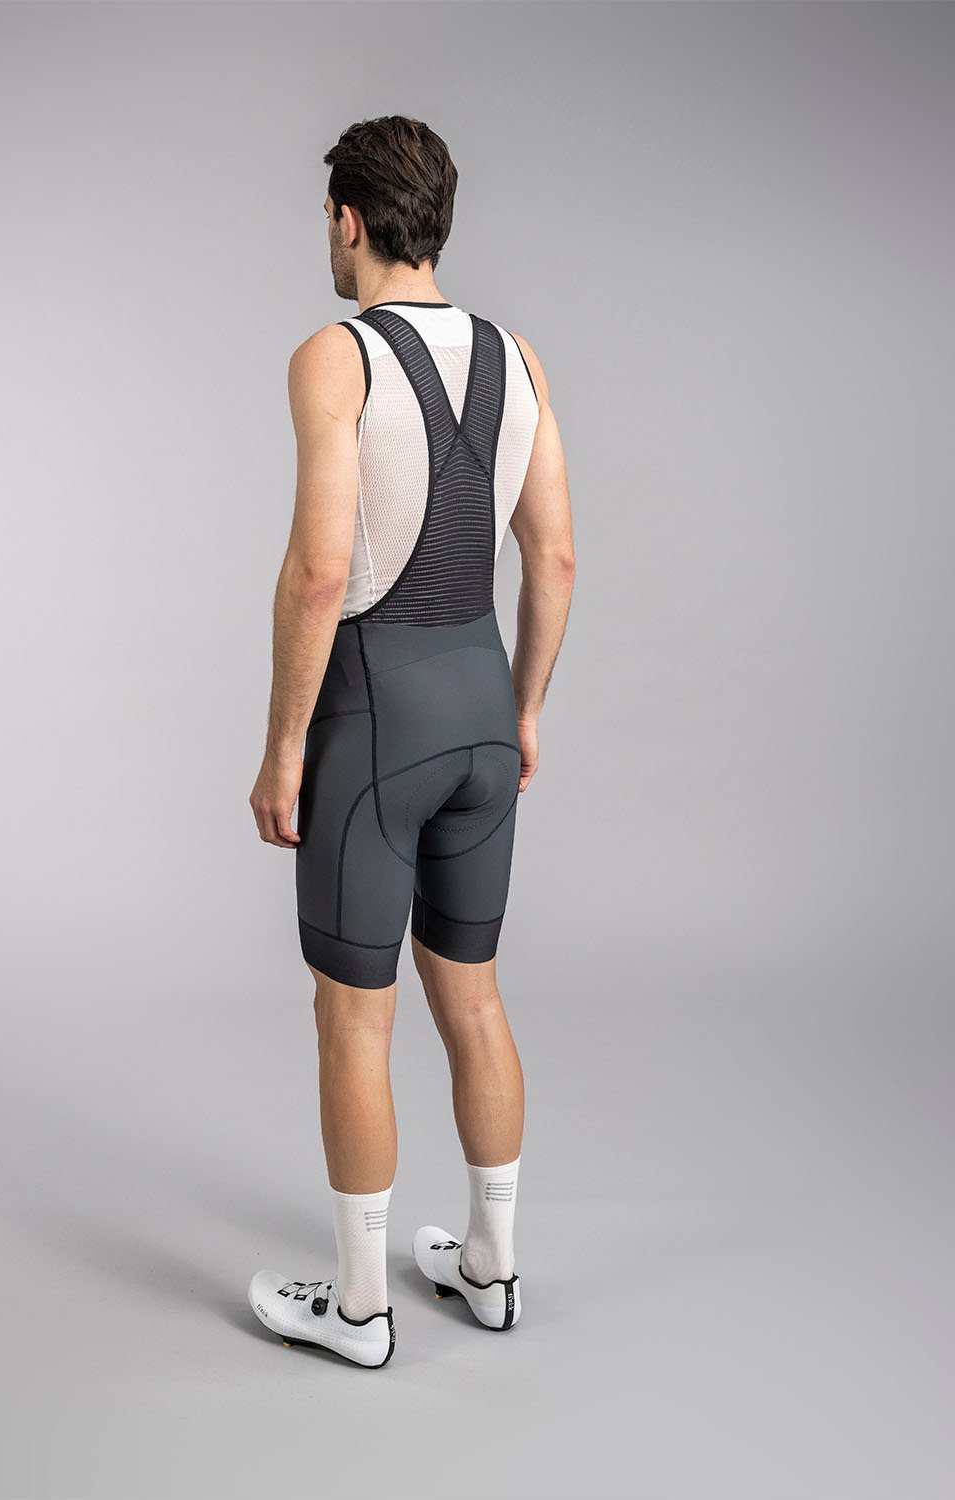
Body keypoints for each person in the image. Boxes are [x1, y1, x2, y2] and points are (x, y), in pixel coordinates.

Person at [246, 116, 575, 1368]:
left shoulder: (334, 358)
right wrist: (524, 709)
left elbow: (321, 572)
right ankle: (491, 1270)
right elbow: (555, 555)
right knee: (474, 999)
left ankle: (360, 1310)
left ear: (349, 220)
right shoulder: (517, 356)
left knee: (355, 1019)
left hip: (376, 720)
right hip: (483, 710)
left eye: (326, 223)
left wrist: (285, 749)